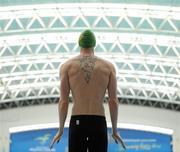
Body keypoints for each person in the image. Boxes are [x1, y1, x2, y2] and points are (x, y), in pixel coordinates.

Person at [50, 29, 126, 152]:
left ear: (79, 44)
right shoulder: (108, 67)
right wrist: (115, 130)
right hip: (98, 122)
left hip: (77, 122)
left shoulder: (67, 66)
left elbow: (63, 102)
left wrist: (61, 129)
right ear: (94, 44)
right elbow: (113, 101)